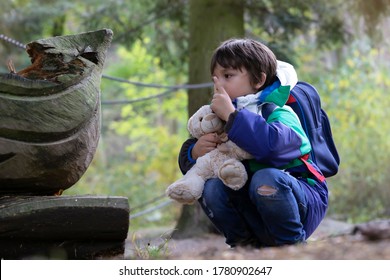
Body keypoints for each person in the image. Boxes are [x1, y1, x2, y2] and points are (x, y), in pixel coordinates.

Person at [177, 38, 328, 247]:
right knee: (211, 187)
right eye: (216, 78)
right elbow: (206, 164)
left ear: (258, 80)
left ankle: (291, 246)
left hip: (301, 198)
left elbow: (272, 147)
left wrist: (233, 117)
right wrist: (194, 152)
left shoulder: (278, 111)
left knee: (266, 178)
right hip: (254, 205)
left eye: (228, 76)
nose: (218, 85)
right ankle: (243, 247)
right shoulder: (219, 116)